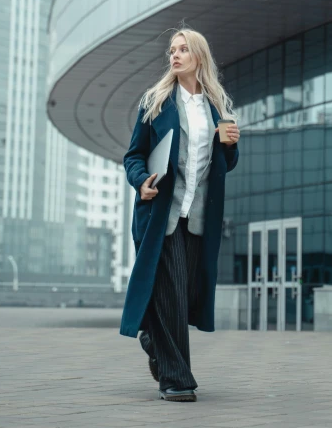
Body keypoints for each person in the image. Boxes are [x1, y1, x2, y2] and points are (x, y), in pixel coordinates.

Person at [120, 27, 240, 402]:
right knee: (169, 291)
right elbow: (133, 155)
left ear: (199, 57)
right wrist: (141, 182)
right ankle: (176, 379)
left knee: (184, 294)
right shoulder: (155, 102)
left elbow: (226, 163)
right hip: (161, 215)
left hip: (200, 217)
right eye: (172, 50)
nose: (175, 55)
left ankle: (153, 338)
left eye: (183, 49)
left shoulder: (218, 107)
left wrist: (231, 145)